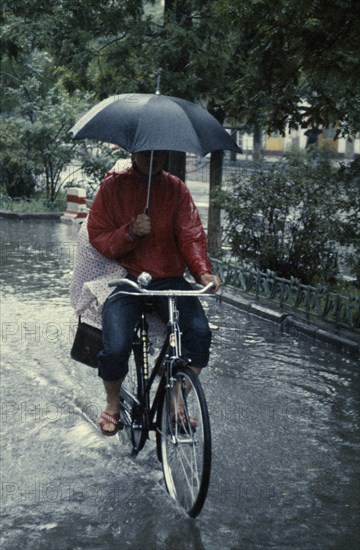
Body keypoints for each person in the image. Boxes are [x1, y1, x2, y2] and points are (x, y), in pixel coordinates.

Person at [87, 150, 221, 435]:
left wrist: (202, 271)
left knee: (199, 334)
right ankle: (112, 404)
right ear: (134, 152)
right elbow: (98, 236)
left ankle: (176, 397)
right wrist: (130, 232)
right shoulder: (112, 187)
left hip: (169, 278)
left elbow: (191, 235)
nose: (154, 157)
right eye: (147, 152)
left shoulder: (175, 188)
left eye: (160, 152)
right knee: (115, 347)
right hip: (124, 278)